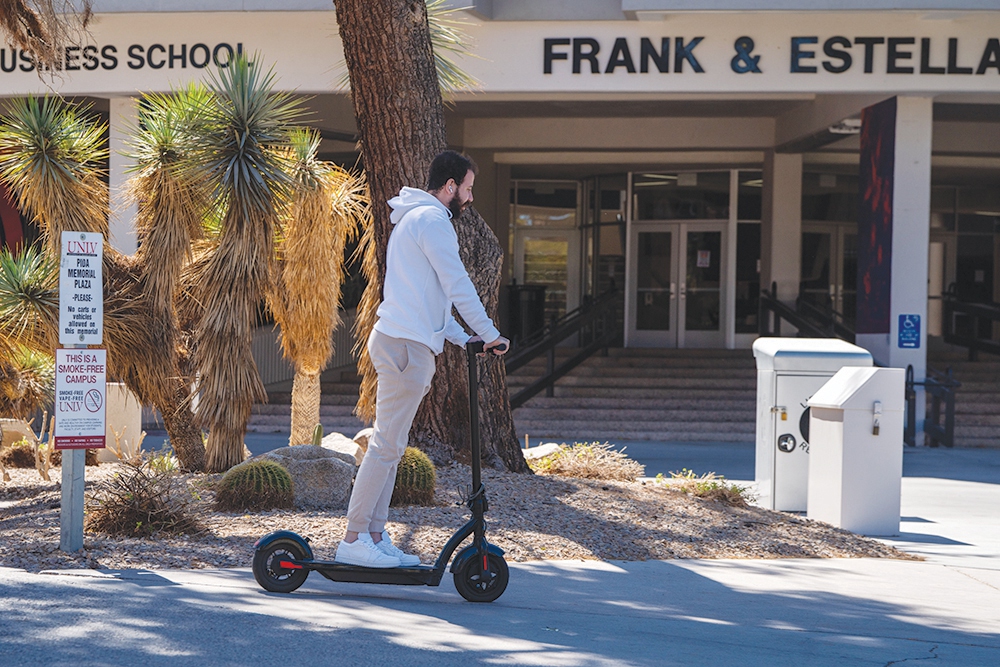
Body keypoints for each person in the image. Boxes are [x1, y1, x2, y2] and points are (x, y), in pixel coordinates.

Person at [335, 150, 510, 568]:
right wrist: (491, 334)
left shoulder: (415, 219)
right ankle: (354, 538)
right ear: (450, 186)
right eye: (468, 188)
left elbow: (428, 298)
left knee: (391, 447)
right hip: (405, 347)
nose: (470, 197)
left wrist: (464, 337)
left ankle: (374, 535)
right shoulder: (432, 221)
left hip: (403, 341)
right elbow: (457, 284)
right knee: (385, 446)